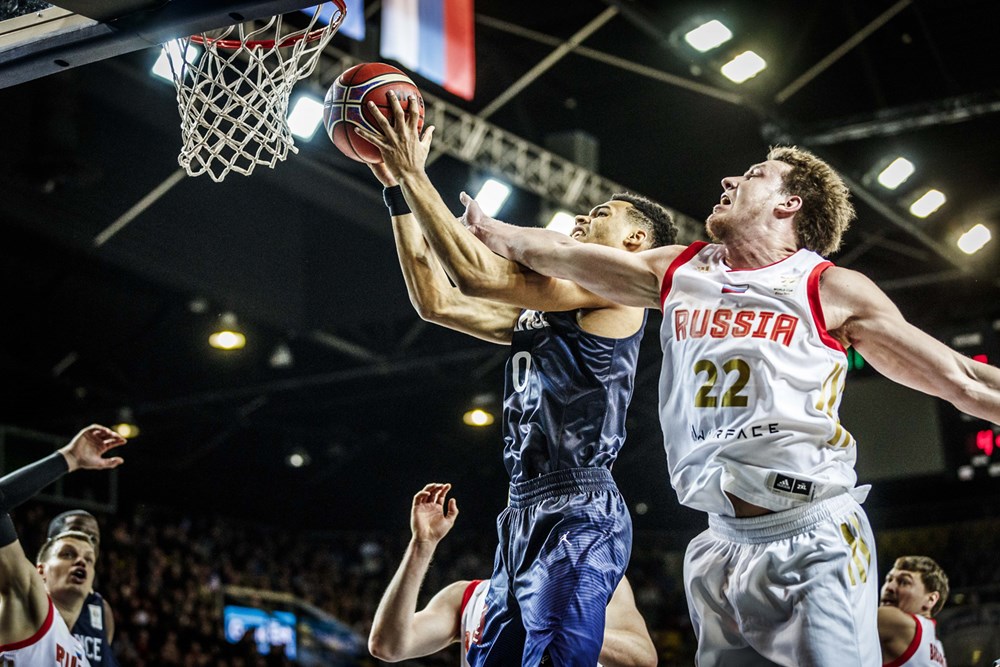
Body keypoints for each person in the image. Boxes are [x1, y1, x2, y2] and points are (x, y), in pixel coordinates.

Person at [461, 146, 1000, 666]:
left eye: (755, 174)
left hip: (810, 534)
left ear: (789, 204)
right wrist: (490, 230)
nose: (728, 181)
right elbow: (560, 254)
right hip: (718, 543)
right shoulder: (680, 270)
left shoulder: (828, 287)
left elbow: (965, 380)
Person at [356, 92, 675, 666]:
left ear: (635, 242)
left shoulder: (614, 286)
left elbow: (476, 276)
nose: (583, 217)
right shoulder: (551, 309)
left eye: (602, 214)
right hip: (522, 508)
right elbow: (438, 302)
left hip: (579, 504)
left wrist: (412, 171)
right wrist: (396, 192)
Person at [368, 483, 657, 667]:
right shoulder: (467, 597)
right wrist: (422, 544)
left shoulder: (598, 581)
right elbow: (389, 646)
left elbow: (643, 659)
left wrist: (563, 627)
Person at [0, 424, 126, 665]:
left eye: (89, 559)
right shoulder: (29, 606)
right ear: (40, 571)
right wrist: (68, 458)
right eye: (68, 554)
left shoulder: (81, 654)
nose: (81, 561)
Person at [47, 509, 118, 666]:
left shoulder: (102, 610)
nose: (87, 542)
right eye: (77, 532)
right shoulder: (30, 599)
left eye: (93, 538)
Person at [879, 556, 949, 666]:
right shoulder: (938, 649)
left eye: (903, 582)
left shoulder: (897, 622)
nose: (889, 587)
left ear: (931, 599)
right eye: (888, 580)